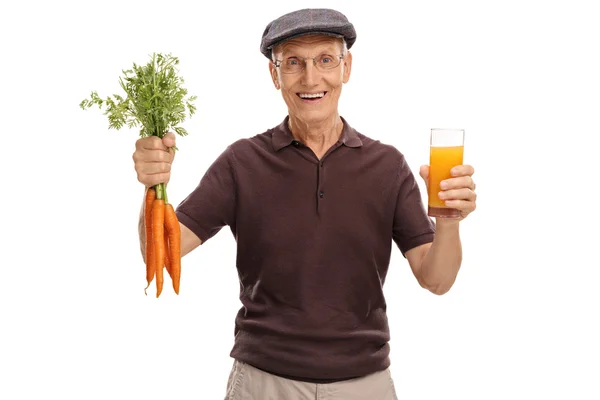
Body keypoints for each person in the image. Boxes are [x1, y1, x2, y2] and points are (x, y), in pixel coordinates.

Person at [132, 8, 477, 400]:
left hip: (364, 385)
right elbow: (156, 254)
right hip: (264, 384)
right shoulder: (241, 162)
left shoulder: (388, 166)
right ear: (274, 75)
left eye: (325, 60)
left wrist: (449, 221)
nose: (311, 78)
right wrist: (152, 186)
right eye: (293, 63)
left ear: (346, 68)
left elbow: (437, 279)